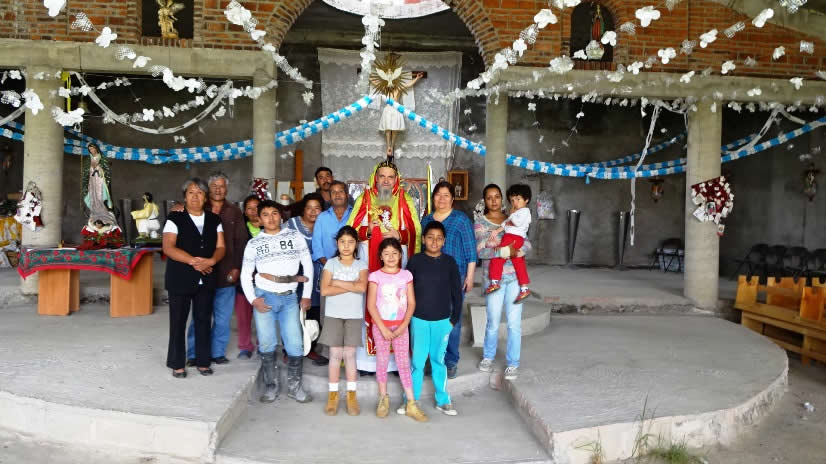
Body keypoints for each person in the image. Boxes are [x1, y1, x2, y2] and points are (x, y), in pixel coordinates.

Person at [347, 160, 421, 375]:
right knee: (370, 304)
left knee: (397, 304)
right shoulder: (364, 199)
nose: (386, 181)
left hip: (398, 264)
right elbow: (350, 231)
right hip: (369, 263)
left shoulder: (405, 199)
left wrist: (400, 234)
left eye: (391, 177)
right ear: (375, 178)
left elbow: (415, 232)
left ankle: (397, 363)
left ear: (396, 180)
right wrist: (367, 231)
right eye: (382, 176)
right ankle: (368, 363)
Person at [240, 200, 314, 404]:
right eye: (265, 214)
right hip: (264, 297)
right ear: (259, 219)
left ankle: (295, 388)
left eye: (275, 213)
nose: (271, 218)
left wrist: (306, 295)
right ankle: (271, 387)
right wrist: (253, 300)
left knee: (295, 344)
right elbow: (246, 274)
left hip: (289, 298)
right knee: (267, 342)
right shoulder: (254, 243)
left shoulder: (294, 236)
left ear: (281, 216)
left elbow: (307, 265)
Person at [163, 177, 226, 378]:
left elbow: (221, 247)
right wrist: (194, 262)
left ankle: (203, 361)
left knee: (203, 320)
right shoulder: (174, 218)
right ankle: (177, 364)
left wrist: (211, 261)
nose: (195, 196)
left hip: (206, 279)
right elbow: (168, 247)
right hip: (180, 278)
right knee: (178, 322)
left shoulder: (214, 219)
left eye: (200, 192)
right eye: (191, 192)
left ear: (205, 197)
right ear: (184, 196)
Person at [185, 172, 246, 367]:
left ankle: (217, 352)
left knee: (223, 318)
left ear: (226, 189)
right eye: (214, 186)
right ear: (208, 189)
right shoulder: (198, 208)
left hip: (226, 272)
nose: (218, 190)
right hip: (202, 272)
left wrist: (237, 267)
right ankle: (193, 354)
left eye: (222, 186)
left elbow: (241, 242)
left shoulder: (234, 211)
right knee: (199, 316)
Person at [474, 184, 532, 381]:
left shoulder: (515, 216)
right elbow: (481, 251)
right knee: (492, 321)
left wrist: (521, 251)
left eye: (497, 196)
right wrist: (507, 251)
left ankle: (513, 363)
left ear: (502, 199)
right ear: (484, 200)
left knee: (514, 324)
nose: (494, 200)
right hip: (493, 279)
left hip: (515, 278)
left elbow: (527, 242)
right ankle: (488, 356)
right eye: (489, 197)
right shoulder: (480, 224)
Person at [420, 181, 477, 379]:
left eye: (446, 195)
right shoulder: (426, 220)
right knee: (431, 319)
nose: (442, 199)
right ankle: (434, 358)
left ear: (452, 199)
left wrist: (470, 276)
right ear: (433, 197)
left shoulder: (461, 220)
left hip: (455, 276)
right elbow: (421, 249)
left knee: (453, 320)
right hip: (430, 277)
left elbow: (470, 250)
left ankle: (451, 361)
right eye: (438, 195)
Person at [366, 238, 427, 421]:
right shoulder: (375, 277)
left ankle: (411, 403)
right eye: (386, 253)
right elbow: (371, 305)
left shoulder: (406, 275)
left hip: (401, 326)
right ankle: (383, 399)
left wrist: (403, 326)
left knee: (403, 363)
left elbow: (411, 303)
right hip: (381, 326)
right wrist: (383, 328)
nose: (391, 257)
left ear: (401, 255)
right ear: (380, 256)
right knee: (382, 362)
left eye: (394, 253)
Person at [406, 221, 462, 416]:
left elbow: (457, 293)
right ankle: (411, 400)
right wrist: (407, 318)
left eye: (439, 238)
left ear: (444, 241)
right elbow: (406, 291)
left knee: (438, 360)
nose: (434, 241)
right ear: (423, 239)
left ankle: (443, 400)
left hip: (442, 321)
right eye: (430, 237)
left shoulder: (450, 263)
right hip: (419, 320)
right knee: (417, 363)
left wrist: (453, 320)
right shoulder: (415, 262)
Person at [319, 226, 368, 416]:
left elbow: (362, 287)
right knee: (335, 355)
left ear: (356, 244)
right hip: (333, 315)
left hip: (353, 315)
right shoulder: (330, 264)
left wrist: (337, 282)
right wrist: (352, 286)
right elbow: (325, 290)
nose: (346, 246)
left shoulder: (361, 265)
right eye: (342, 242)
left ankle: (351, 396)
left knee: (350, 355)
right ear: (337, 243)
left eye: (350, 242)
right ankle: (332, 396)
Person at [286, 193, 329, 366]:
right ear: (303, 209)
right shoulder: (291, 224)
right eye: (309, 208)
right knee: (293, 313)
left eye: (317, 208)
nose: (312, 212)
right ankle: (290, 350)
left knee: (314, 312)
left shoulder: (324, 224)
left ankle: (310, 348)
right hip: (296, 275)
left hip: (318, 275)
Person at [485, 184, 532, 303]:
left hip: (513, 239)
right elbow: (505, 224)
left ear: (526, 200)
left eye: (518, 199)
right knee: (519, 263)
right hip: (512, 238)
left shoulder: (524, 211)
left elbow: (516, 222)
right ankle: (524, 288)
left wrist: (511, 213)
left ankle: (495, 282)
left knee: (497, 257)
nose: (515, 202)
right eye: (512, 200)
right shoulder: (516, 212)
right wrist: (497, 231)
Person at [234, 194, 261, 360]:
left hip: (265, 280)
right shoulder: (240, 228)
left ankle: (263, 345)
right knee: (243, 315)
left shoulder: (270, 226)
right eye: (249, 208)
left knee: (263, 315)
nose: (253, 211)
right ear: (244, 211)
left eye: (256, 207)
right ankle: (245, 346)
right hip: (244, 279)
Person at [312, 181, 353, 267]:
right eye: (333, 192)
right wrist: (328, 265)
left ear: (347, 195)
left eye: (341, 191)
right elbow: (317, 245)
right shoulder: (322, 217)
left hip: (352, 268)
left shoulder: (356, 215)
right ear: (330, 197)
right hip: (326, 267)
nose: (337, 195)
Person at [83, 143, 118, 228]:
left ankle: (104, 214)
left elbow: (106, 168)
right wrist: (90, 168)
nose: (92, 150)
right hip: (92, 181)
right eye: (90, 149)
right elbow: (86, 172)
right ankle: (95, 213)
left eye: (93, 148)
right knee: (92, 196)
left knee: (101, 196)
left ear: (96, 148)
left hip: (100, 180)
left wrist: (99, 168)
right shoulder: (88, 159)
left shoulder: (102, 158)